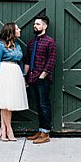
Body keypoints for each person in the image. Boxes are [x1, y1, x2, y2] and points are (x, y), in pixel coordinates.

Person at [25, 15, 56, 144]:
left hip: (43, 79)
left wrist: (43, 75)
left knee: (44, 105)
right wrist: (25, 77)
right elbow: (27, 60)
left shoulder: (49, 42)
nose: (35, 26)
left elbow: (51, 60)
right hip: (32, 78)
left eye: (38, 24)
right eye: (34, 24)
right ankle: (40, 130)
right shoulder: (31, 42)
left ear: (45, 26)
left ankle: (46, 133)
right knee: (37, 105)